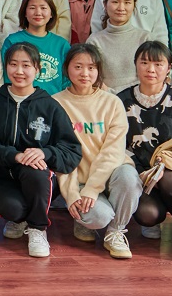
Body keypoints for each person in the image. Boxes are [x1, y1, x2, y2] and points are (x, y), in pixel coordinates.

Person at [0, 42, 81, 258]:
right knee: (14, 210)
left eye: (26, 65)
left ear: (37, 69)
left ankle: (37, 228)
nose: (19, 71)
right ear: (6, 67)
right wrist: (14, 155)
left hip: (39, 179)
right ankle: (20, 219)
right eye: (13, 64)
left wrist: (45, 153)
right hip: (2, 174)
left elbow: (72, 150)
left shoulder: (50, 105)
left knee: (36, 169)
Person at [54, 43, 139, 259]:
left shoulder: (112, 102)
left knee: (129, 177)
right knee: (99, 217)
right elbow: (61, 155)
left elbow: (113, 152)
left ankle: (115, 232)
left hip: (111, 176)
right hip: (79, 180)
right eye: (78, 67)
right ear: (67, 68)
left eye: (91, 67)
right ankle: (87, 220)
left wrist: (93, 188)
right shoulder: (55, 103)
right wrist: (72, 193)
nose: (85, 73)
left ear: (98, 70)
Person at [116, 40, 172, 241]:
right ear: (135, 64)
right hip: (140, 174)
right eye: (144, 63)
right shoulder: (120, 101)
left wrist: (165, 166)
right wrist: (141, 172)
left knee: (169, 180)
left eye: (158, 64)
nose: (151, 69)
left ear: (169, 67)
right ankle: (155, 214)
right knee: (148, 215)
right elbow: (116, 144)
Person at [86, 0, 153, 93]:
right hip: (105, 99)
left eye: (127, 2)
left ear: (134, 5)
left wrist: (125, 95)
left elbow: (151, 75)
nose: (121, 8)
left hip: (140, 98)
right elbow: (91, 76)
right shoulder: (94, 41)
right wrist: (111, 95)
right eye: (115, 2)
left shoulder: (145, 38)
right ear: (105, 4)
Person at [1, 0, 70, 94]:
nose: (38, 13)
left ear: (51, 13)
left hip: (54, 101)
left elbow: (67, 80)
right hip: (21, 100)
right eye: (32, 8)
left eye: (43, 8)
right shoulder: (12, 41)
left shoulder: (62, 45)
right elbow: (7, 77)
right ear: (25, 13)